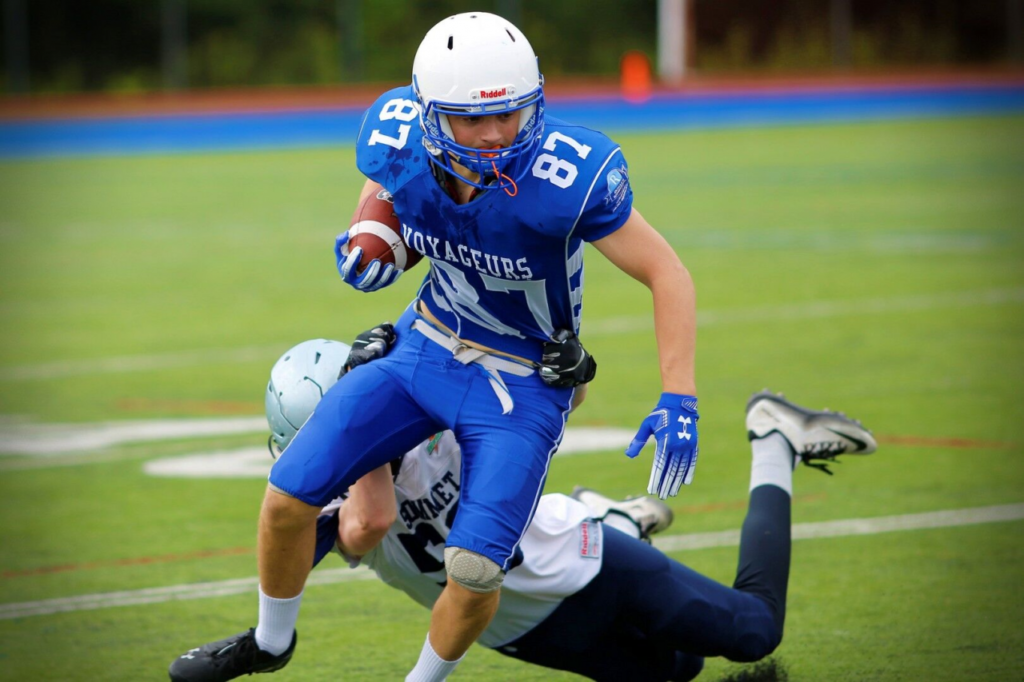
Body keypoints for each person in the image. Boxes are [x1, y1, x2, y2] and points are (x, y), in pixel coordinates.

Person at [171, 11, 700, 681]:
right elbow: (388, 181)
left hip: (521, 377)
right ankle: (271, 644)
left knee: (476, 570)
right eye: (472, 119)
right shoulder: (396, 134)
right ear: (427, 117)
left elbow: (667, 272)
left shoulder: (571, 175)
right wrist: (372, 226)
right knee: (287, 495)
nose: (496, 133)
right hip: (426, 345)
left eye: (511, 113)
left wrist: (678, 392)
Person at [171, 338, 878, 682]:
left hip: (576, 563)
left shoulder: (422, 404)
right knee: (678, 670)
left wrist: (571, 370)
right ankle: (618, 513)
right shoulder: (326, 505)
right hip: (514, 626)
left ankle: (771, 440)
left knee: (753, 633)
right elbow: (365, 526)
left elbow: (555, 403)